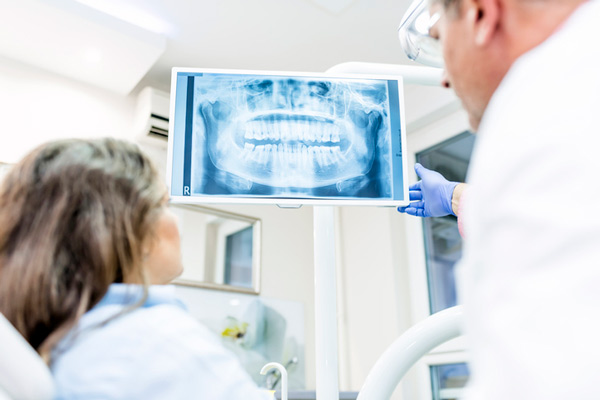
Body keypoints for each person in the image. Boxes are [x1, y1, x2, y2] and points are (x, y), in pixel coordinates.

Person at [399, 0, 600, 398]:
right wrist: (455, 196)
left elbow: (540, 380)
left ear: (479, 14)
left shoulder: (541, 114)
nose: (444, 78)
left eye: (440, 41)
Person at [0, 138, 272, 399]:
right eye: (163, 205)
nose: (175, 220)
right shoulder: (158, 343)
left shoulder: (55, 341)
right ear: (127, 232)